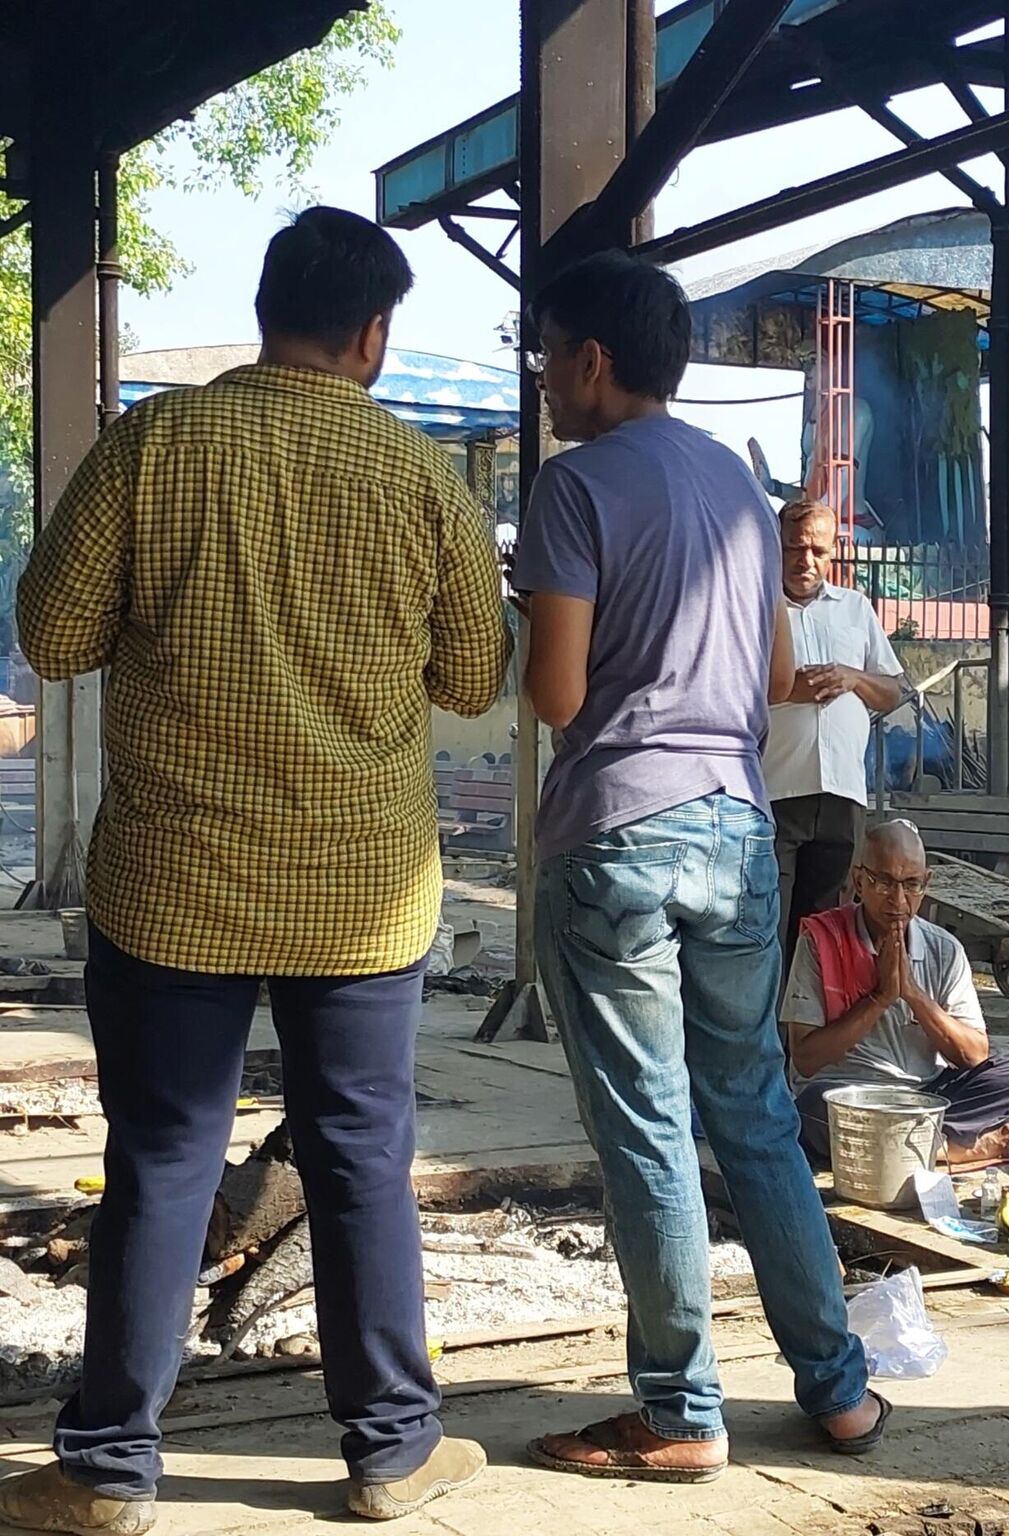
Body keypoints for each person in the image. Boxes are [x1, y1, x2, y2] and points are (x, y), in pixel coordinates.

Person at [0, 207, 506, 1535]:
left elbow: (50, 638)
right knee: (359, 1158)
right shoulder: (420, 480)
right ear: (373, 336)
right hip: (359, 891)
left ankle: (110, 1470)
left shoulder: (152, 449)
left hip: (176, 879)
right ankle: (391, 1453)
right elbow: (473, 673)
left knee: (164, 1159)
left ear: (269, 304)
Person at [512, 250, 885, 1483]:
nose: (546, 379)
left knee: (649, 1127)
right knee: (758, 1116)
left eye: (548, 354)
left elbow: (557, 693)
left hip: (617, 829)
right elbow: (777, 678)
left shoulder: (575, 489)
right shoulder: (735, 481)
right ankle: (838, 1393)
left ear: (592, 361)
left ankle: (680, 1412)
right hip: (736, 826)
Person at [785, 821, 1009, 1167]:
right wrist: (879, 998)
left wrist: (912, 993)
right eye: (883, 883)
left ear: (926, 884)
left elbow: (974, 1056)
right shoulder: (821, 941)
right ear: (858, 881)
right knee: (811, 1112)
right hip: (850, 1095)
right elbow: (805, 1059)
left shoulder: (944, 949)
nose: (898, 900)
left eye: (911, 885)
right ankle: (965, 1146)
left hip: (930, 1095)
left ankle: (916, 1147)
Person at [766, 497, 907, 961]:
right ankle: (768, 1032)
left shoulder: (854, 608)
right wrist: (788, 687)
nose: (806, 561)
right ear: (776, 546)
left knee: (824, 929)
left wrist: (853, 677)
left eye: (818, 551)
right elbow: (726, 685)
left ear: (832, 553)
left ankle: (811, 1031)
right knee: (770, 923)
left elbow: (892, 691)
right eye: (794, 548)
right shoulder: (756, 607)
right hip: (777, 789)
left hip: (843, 794)